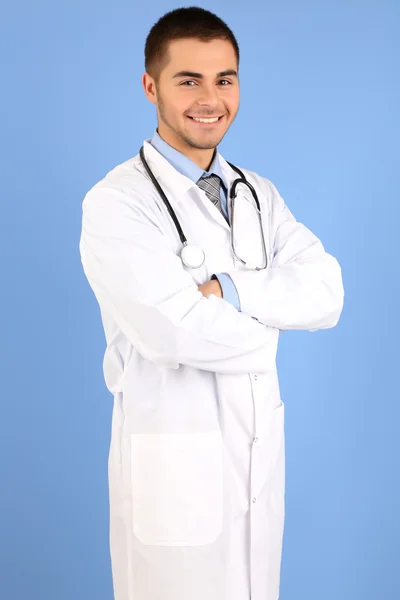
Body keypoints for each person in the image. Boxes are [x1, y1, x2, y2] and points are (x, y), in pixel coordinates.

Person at [79, 6, 344, 600]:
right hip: (174, 479)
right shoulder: (118, 203)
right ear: (151, 86)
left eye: (224, 78)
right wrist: (277, 318)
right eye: (188, 79)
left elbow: (327, 292)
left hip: (255, 468)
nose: (210, 98)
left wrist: (233, 291)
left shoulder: (259, 194)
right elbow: (173, 332)